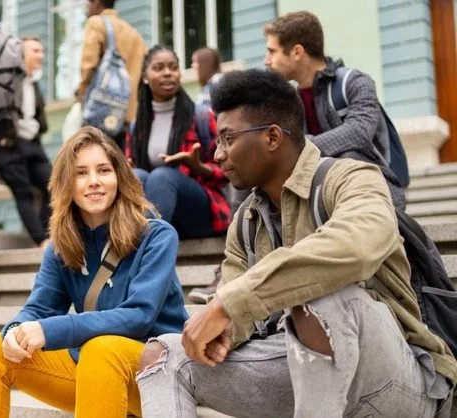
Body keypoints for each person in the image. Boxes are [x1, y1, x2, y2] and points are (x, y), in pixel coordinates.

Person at [136, 69, 456, 417]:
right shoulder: (246, 221)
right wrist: (223, 329)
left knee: (322, 297)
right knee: (164, 355)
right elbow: (234, 309)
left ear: (273, 137)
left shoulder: (351, 179)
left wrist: (229, 303)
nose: (217, 155)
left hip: (396, 379)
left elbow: (357, 246)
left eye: (228, 139)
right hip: (296, 369)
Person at [0, 127, 188, 418]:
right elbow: (40, 307)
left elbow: (139, 316)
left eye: (103, 170)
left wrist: (52, 330)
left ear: (119, 176)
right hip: (94, 370)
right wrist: (15, 331)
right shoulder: (62, 247)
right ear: (66, 182)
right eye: (81, 173)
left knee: (100, 350)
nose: (93, 182)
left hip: (154, 368)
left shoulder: (156, 236)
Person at [263, 11, 406, 209]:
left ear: (297, 52)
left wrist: (302, 147)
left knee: (346, 160)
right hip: (321, 196)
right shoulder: (290, 102)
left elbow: (359, 131)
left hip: (376, 190)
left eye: (272, 51)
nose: (266, 61)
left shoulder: (355, 82)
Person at [129, 45, 230, 240]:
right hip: (163, 213)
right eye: (159, 68)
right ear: (145, 77)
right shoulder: (137, 126)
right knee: (136, 175)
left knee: (162, 177)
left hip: (198, 214)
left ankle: (146, 252)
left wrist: (198, 167)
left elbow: (228, 172)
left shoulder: (201, 116)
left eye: (173, 67)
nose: (167, 73)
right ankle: (136, 245)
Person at [0, 36, 51, 248]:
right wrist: (2, 134)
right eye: (35, 50)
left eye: (41, 50)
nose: (40, 55)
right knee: (22, 192)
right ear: (21, 54)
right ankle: (41, 241)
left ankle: (49, 235)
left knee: (55, 186)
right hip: (8, 143)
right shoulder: (6, 77)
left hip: (32, 142)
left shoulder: (34, 82)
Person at [75, 0, 147, 150]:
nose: (86, 7)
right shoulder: (134, 34)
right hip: (127, 115)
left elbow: (89, 65)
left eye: (88, 3)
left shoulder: (96, 23)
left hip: (100, 112)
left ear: (97, 3)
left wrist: (81, 93)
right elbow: (143, 76)